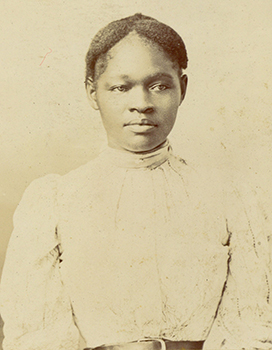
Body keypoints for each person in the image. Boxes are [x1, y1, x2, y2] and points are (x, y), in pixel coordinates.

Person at [0, 13, 271, 350]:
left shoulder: (232, 197)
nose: (141, 104)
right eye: (121, 87)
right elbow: (35, 337)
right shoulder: (55, 200)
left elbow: (252, 325)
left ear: (182, 89)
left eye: (159, 86)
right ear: (92, 92)